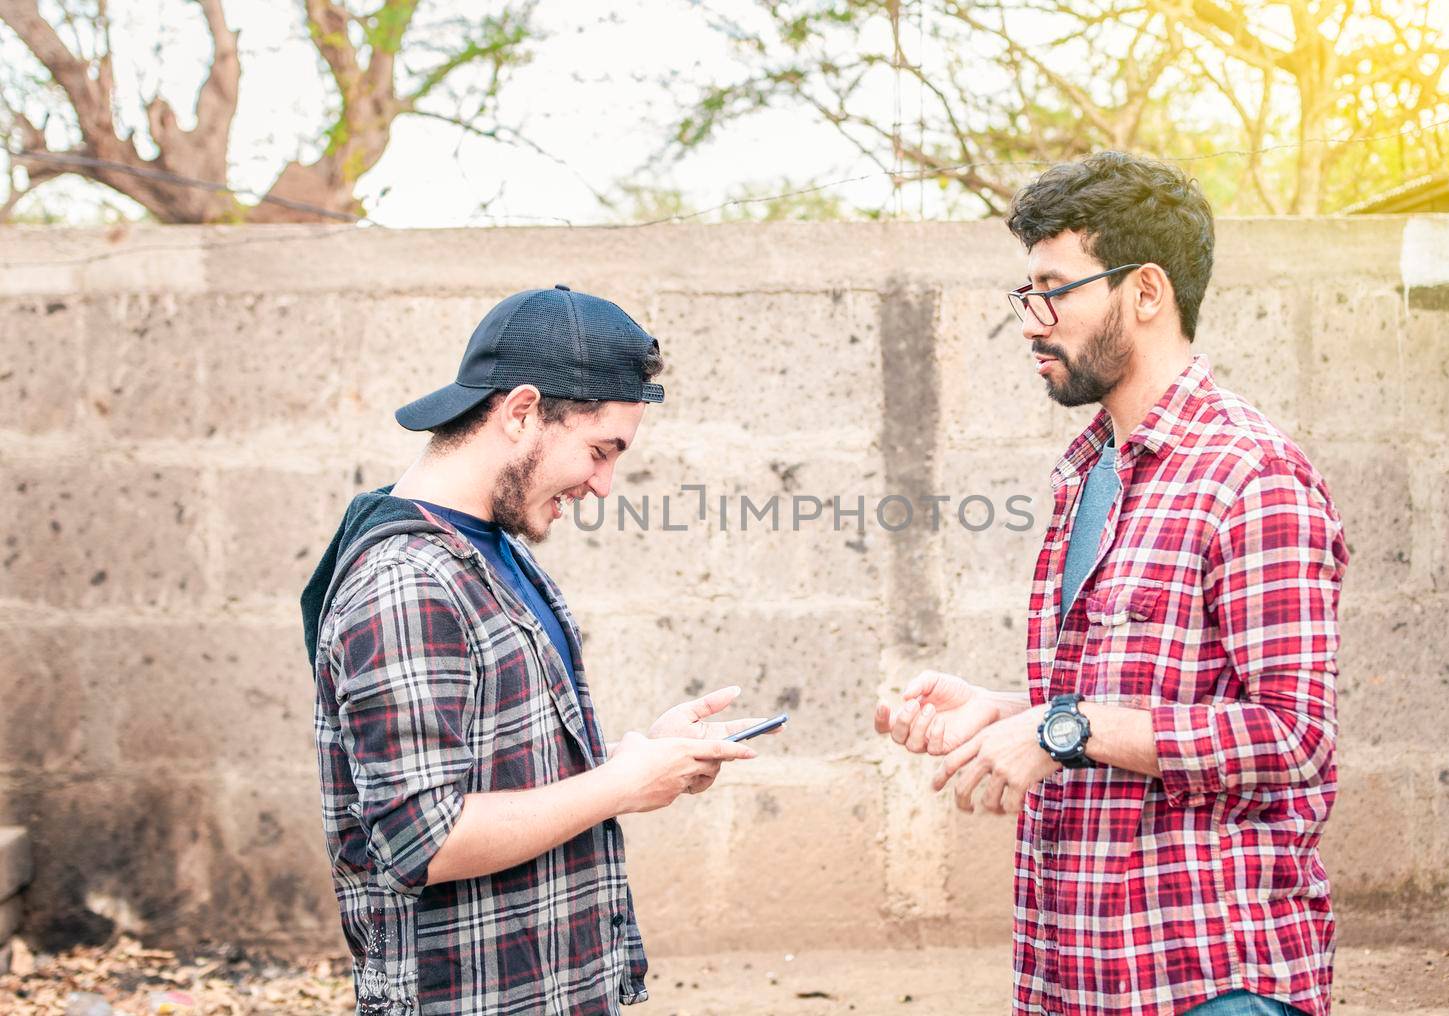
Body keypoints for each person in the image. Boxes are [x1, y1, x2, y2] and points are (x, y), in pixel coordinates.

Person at [875, 152, 1347, 1016]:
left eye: (1054, 288)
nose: (1031, 320)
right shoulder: (1089, 470)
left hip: (1209, 980)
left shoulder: (1253, 476)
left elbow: (1291, 737)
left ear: (1145, 292)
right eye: (1027, 293)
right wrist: (1010, 711)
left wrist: (1063, 728)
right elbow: (1132, 697)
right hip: (1081, 970)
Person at [301, 286, 759, 1015]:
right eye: (599, 451)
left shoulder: (491, 551)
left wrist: (638, 759)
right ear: (520, 412)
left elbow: (498, 768)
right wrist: (621, 787)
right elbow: (426, 839)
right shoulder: (408, 581)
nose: (604, 485)